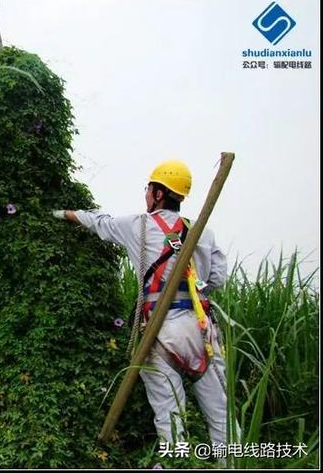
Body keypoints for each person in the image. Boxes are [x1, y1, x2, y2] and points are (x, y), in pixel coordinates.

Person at [52, 160, 229, 450]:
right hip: (201, 330)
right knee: (221, 415)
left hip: (161, 328)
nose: (146, 194)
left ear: (159, 194)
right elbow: (217, 280)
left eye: (149, 189)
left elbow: (98, 221)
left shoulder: (138, 226)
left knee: (169, 415)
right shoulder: (202, 232)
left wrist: (60, 214)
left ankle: (177, 462)